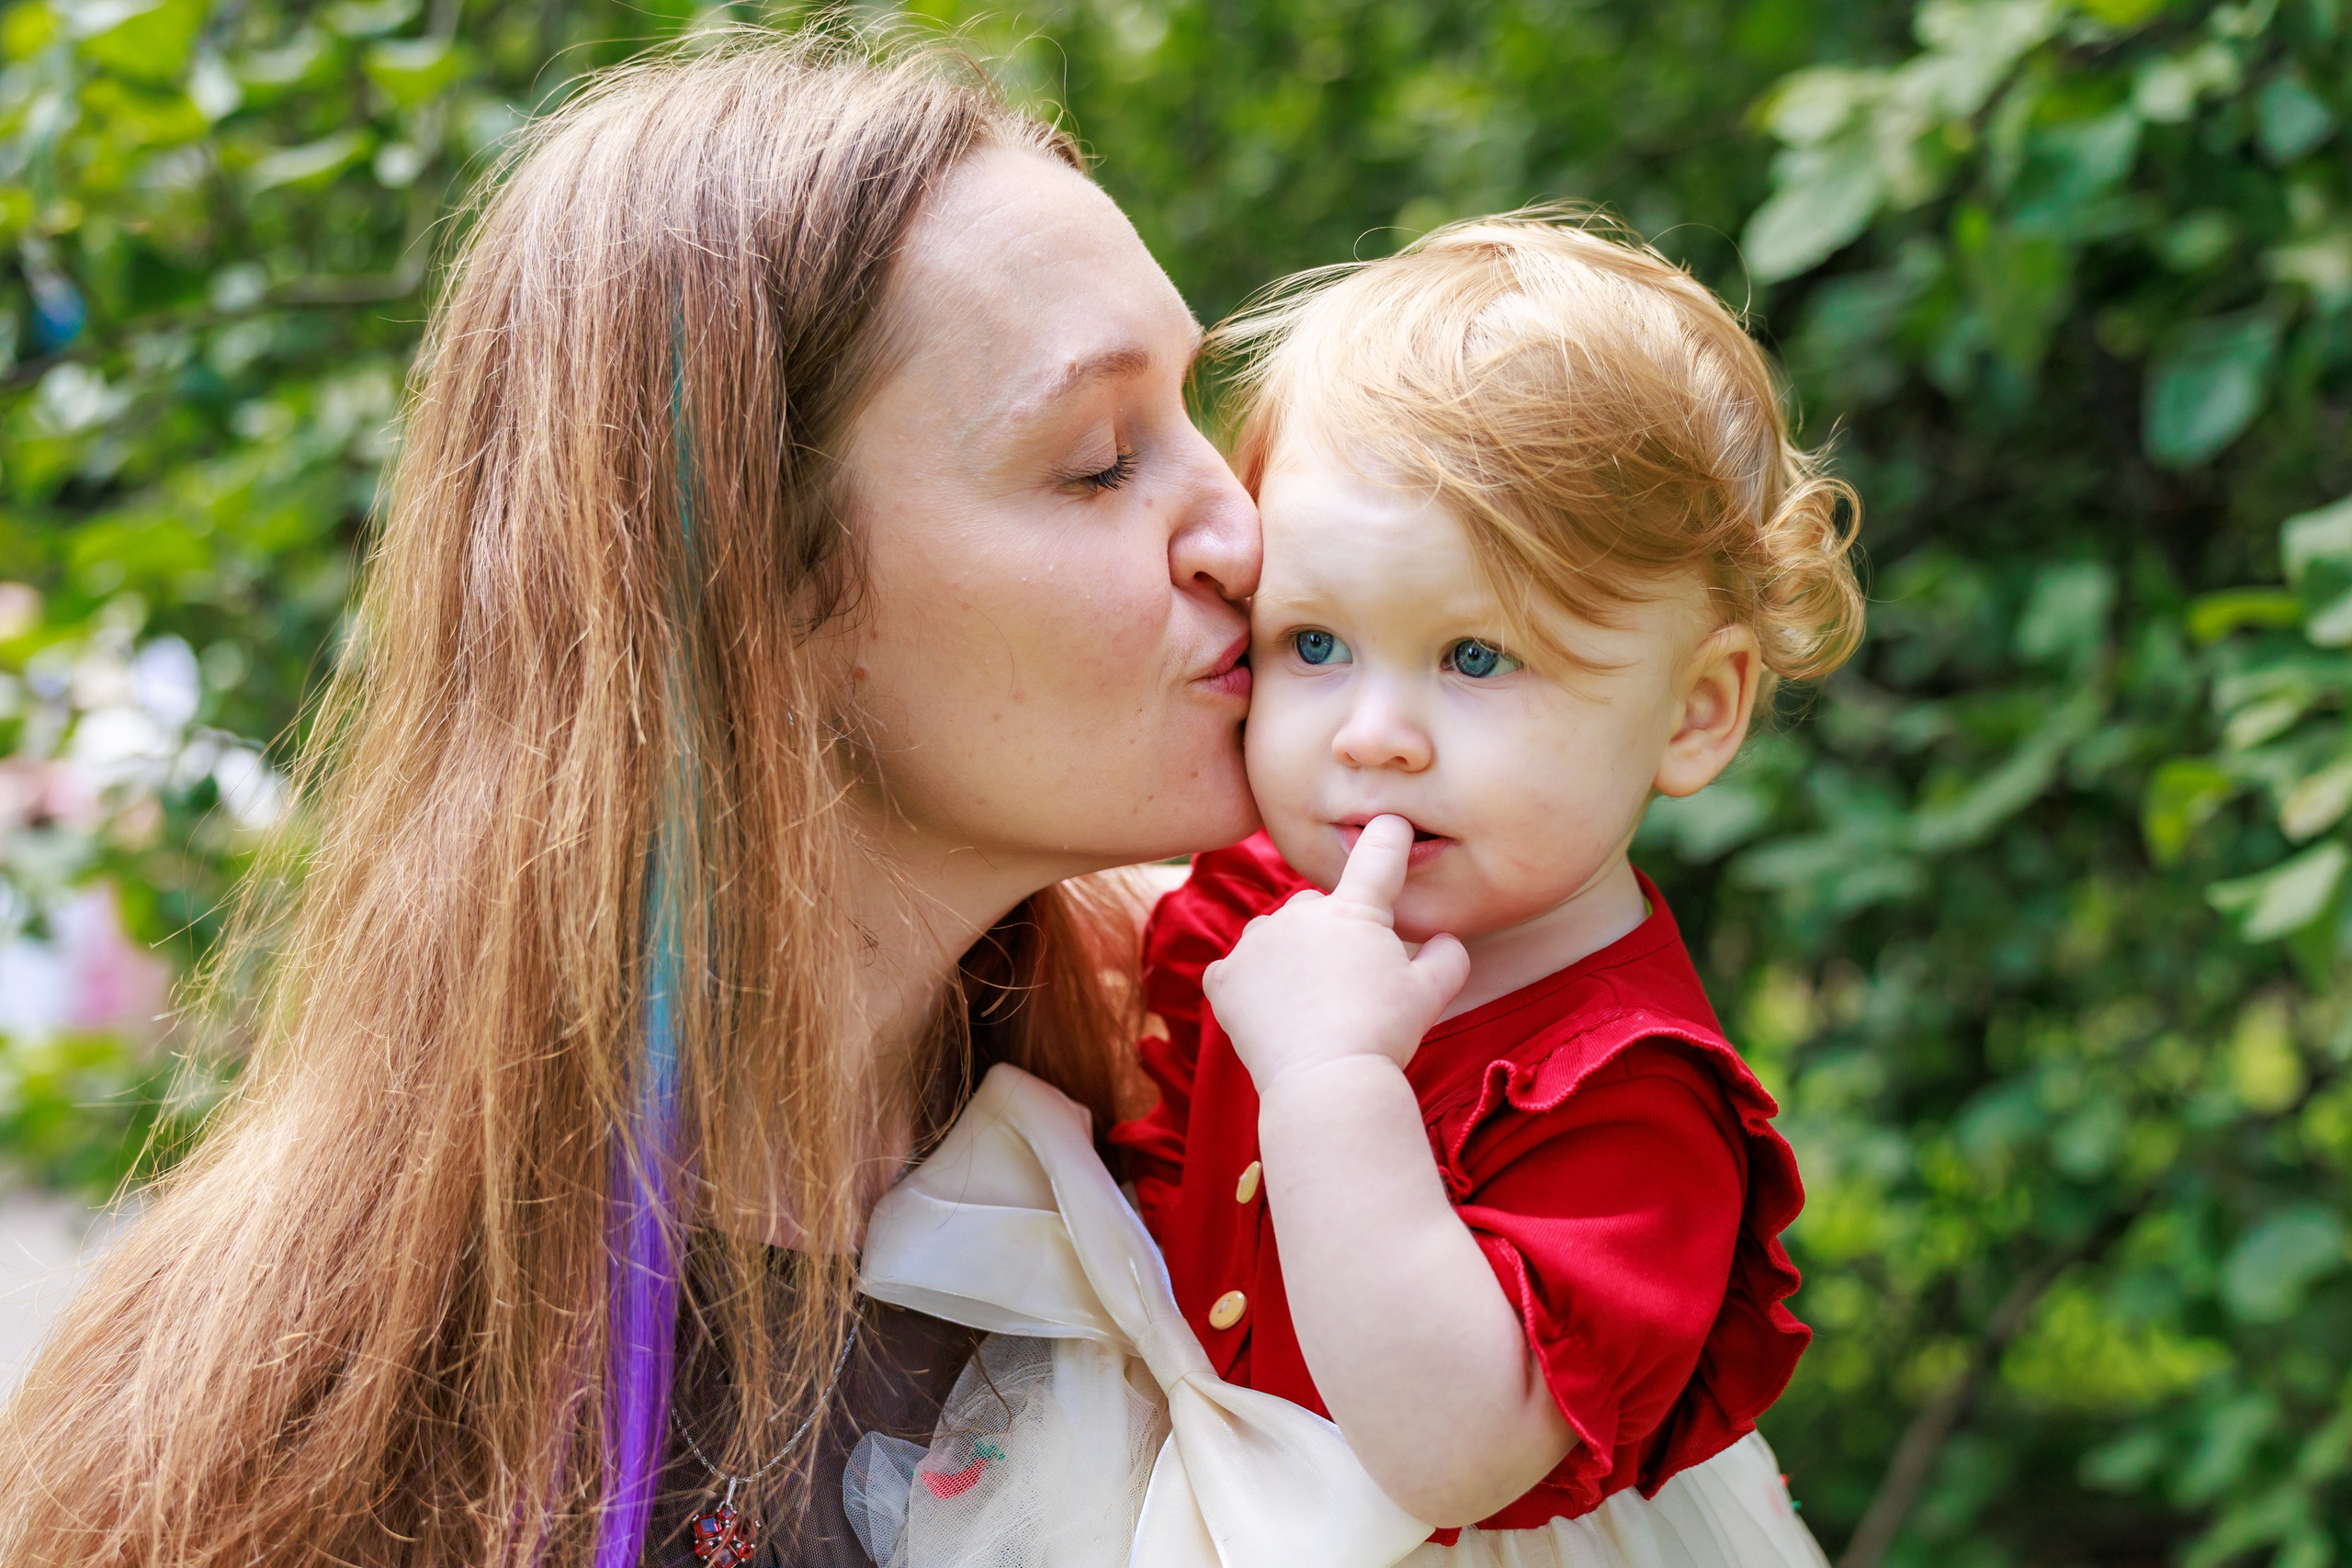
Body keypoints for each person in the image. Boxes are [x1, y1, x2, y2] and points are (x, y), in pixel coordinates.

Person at [0, 39, 1261, 1568]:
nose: (1243, 532)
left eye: (1201, 418)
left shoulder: (1250, 1112)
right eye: (1099, 462)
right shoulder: (287, 1429)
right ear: (752, 592)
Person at [1104, 215, 1864, 1564]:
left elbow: (1452, 1452)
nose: (1373, 733)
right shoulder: (1260, 898)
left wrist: (1336, 1081)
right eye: (1317, 641)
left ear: (1696, 710)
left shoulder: (1631, 1098)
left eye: (1474, 658)